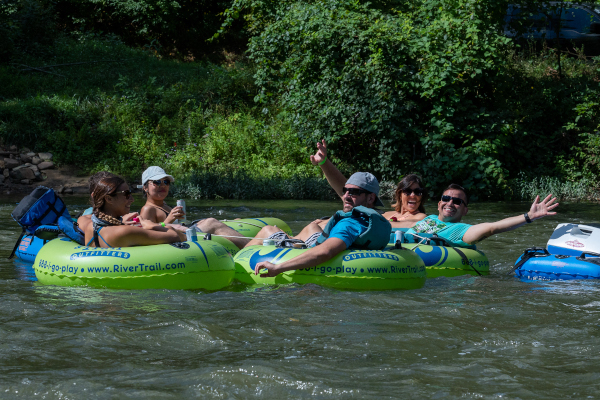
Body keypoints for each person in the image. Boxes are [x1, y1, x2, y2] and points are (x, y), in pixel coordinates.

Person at [250, 172, 392, 277]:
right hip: (318, 240)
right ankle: (293, 239)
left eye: (354, 192)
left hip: (315, 249)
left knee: (269, 230)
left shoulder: (350, 224)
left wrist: (278, 267)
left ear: (371, 198)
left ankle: (234, 256)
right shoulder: (373, 220)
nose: (346, 196)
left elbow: (325, 251)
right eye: (345, 190)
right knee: (312, 227)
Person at [395, 183, 558, 247]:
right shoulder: (427, 218)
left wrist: (528, 216)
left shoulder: (461, 230)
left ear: (465, 210)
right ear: (439, 204)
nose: (450, 203)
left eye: (457, 201)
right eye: (446, 199)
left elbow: (492, 228)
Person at [309, 140, 427, 227]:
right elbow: (344, 189)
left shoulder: (421, 218)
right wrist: (324, 162)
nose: (413, 195)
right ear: (400, 194)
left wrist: (333, 220)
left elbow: (410, 225)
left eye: (418, 192)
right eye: (407, 191)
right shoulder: (384, 213)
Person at [84, 176, 186, 248]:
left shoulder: (90, 226)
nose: (132, 199)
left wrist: (121, 222)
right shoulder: (125, 232)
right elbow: (175, 236)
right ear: (109, 199)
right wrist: (150, 225)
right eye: (127, 194)